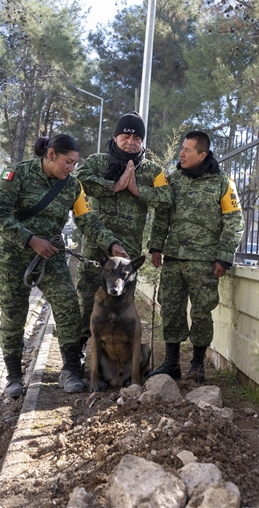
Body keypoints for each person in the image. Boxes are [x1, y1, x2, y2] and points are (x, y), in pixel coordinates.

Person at [0, 134, 129, 395]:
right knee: (13, 314)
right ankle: (14, 377)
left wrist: (111, 244)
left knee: (68, 304)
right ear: (51, 154)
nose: (71, 168)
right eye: (68, 162)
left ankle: (69, 371)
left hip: (50, 257)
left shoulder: (73, 186)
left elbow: (87, 220)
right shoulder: (16, 174)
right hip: (12, 256)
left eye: (75, 163)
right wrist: (31, 240)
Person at [147, 131, 244, 382]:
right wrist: (156, 246)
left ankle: (197, 366)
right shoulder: (173, 179)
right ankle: (171, 363)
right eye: (181, 148)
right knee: (170, 309)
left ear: (203, 155)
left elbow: (234, 222)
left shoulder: (223, 182)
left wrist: (224, 257)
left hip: (204, 262)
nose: (181, 154)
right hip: (174, 258)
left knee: (201, 313)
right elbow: (162, 215)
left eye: (188, 150)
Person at [73, 112, 171, 358]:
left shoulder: (152, 171)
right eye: (126, 135)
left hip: (128, 252)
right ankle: (80, 352)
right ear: (115, 137)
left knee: (122, 302)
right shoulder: (97, 162)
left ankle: (115, 356)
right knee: (87, 297)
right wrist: (114, 186)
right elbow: (80, 182)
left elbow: (167, 199)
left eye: (137, 137)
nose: (131, 141)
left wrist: (138, 190)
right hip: (97, 246)